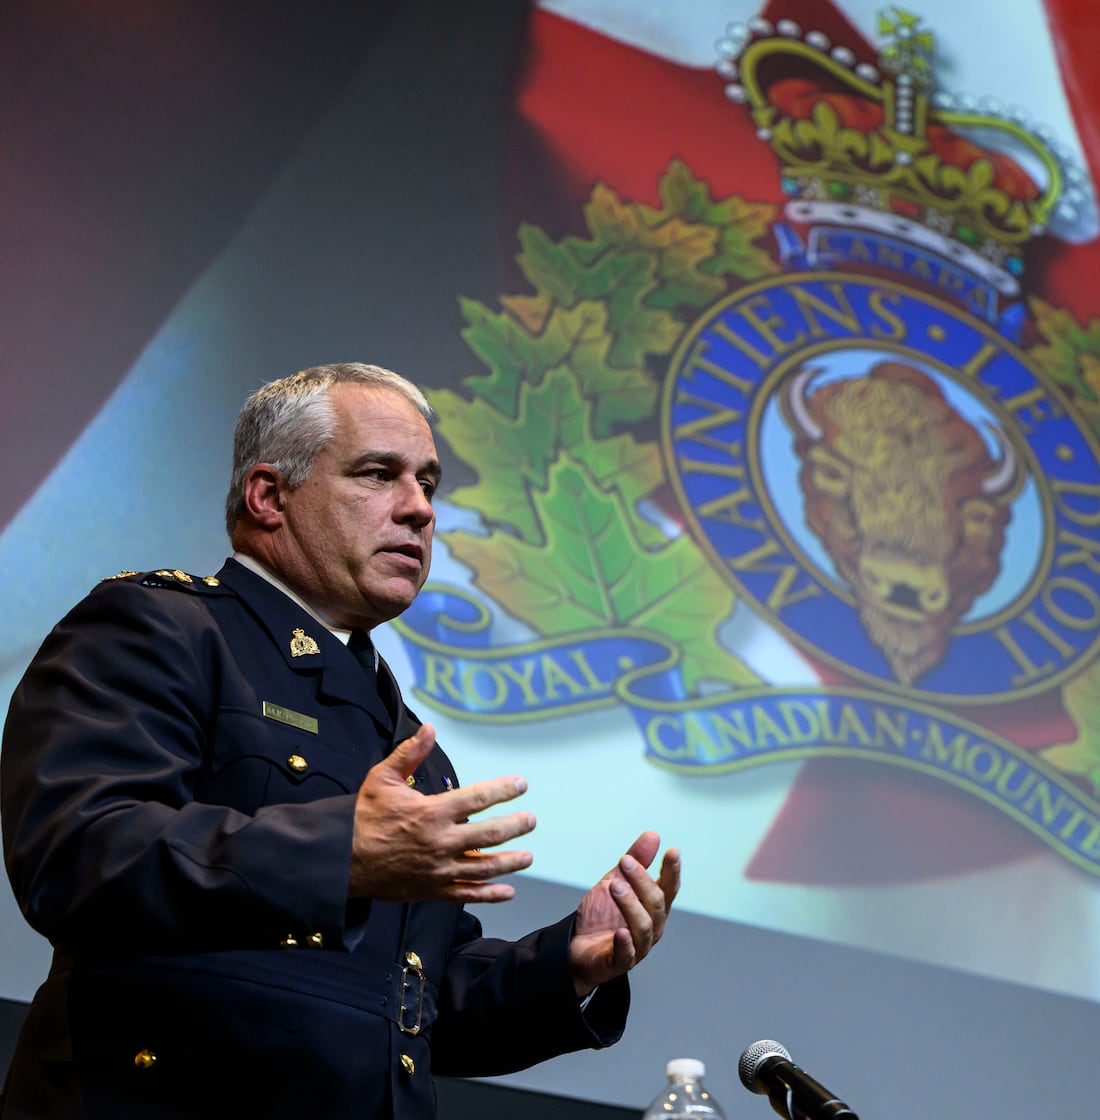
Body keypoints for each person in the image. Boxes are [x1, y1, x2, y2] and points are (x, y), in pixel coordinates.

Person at [0, 363, 682, 1119]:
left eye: (428, 482)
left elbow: (415, 1002)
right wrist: (338, 856)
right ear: (268, 497)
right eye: (377, 474)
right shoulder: (161, 629)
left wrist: (568, 965)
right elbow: (78, 853)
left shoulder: (407, 741)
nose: (420, 509)